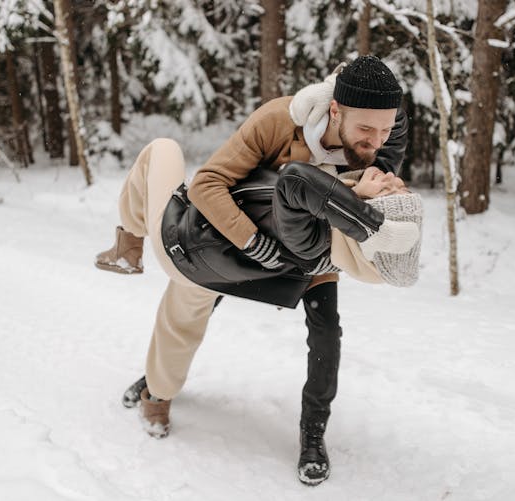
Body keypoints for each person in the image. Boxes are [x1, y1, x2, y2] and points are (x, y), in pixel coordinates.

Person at [95, 55, 414, 485]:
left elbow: (374, 208)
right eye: (366, 130)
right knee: (184, 305)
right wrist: (253, 243)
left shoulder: (379, 141)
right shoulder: (280, 120)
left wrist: (375, 192)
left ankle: (313, 434)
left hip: (310, 255)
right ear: (336, 110)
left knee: (327, 332)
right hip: (230, 239)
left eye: (386, 129)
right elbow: (208, 183)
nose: (377, 142)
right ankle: (155, 377)